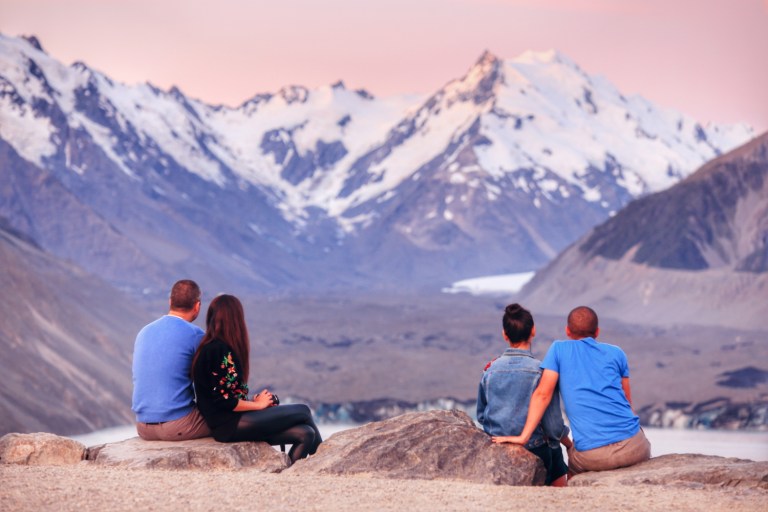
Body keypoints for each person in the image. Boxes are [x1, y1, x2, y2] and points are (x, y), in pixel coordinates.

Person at [493, 306, 651, 475]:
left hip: (594, 456)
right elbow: (627, 403)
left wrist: (523, 437)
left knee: (572, 466)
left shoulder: (559, 350)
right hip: (635, 447)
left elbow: (542, 394)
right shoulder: (617, 353)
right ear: (597, 332)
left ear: (567, 331)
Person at [191, 294, 322, 463]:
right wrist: (258, 405)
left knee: (305, 433)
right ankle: (326, 461)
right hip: (228, 425)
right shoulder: (219, 350)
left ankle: (290, 478)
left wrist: (255, 402)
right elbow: (224, 401)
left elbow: (226, 394)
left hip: (228, 423)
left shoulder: (213, 347)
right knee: (303, 410)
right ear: (235, 319)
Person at [477, 304, 571, 486]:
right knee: (554, 452)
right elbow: (553, 426)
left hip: (497, 447)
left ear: (505, 334)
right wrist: (569, 444)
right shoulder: (542, 372)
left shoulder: (489, 370)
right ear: (533, 331)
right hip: (535, 448)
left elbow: (481, 415)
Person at [132, 279, 211, 441]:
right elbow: (208, 383)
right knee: (228, 421)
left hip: (143, 427)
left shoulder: (144, 332)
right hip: (179, 425)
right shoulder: (195, 335)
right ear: (197, 306)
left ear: (170, 302)